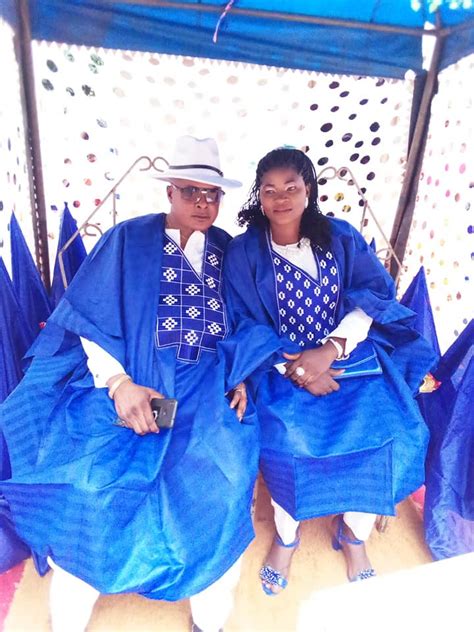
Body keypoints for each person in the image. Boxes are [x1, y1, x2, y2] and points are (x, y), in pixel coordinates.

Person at [0, 136, 264, 632]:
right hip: (132, 387)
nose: (202, 203)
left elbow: (249, 321)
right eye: (191, 191)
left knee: (221, 495)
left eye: (212, 194)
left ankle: (209, 619)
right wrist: (118, 383)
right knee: (89, 491)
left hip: (207, 397)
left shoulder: (230, 252)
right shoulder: (128, 239)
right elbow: (89, 317)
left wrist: (244, 373)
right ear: (170, 193)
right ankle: (69, 619)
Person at [222, 147, 437, 595]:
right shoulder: (243, 252)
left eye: (292, 187)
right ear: (259, 197)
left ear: (309, 190)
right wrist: (296, 366)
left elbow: (374, 293)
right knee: (289, 446)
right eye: (270, 190)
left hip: (351, 358)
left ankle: (353, 535)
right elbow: (241, 319)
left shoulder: (339, 236)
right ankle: (287, 537)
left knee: (384, 437)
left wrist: (331, 348)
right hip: (278, 365)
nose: (281, 198)